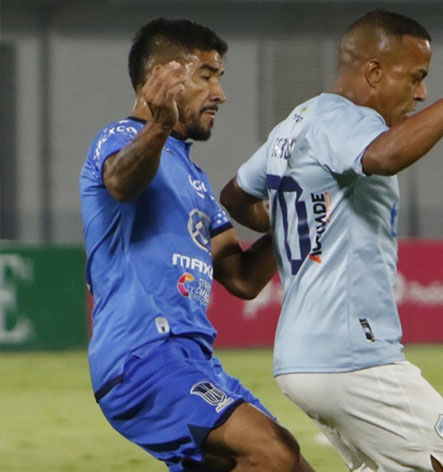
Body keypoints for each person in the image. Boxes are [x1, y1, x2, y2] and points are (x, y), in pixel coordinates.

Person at [220, 9, 443, 472]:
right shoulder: (345, 121)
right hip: (351, 357)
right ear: (374, 71)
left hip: (301, 358)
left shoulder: (296, 123)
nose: (421, 93)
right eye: (416, 77)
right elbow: (384, 155)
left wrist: (296, 219)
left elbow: (235, 197)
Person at [79, 18, 313, 472]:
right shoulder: (118, 138)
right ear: (162, 76)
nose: (219, 93)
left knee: (294, 465)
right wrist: (159, 124)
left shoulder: (196, 180)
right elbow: (121, 182)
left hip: (193, 362)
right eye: (206, 76)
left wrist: (296, 215)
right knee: (272, 453)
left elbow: (242, 278)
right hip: (141, 357)